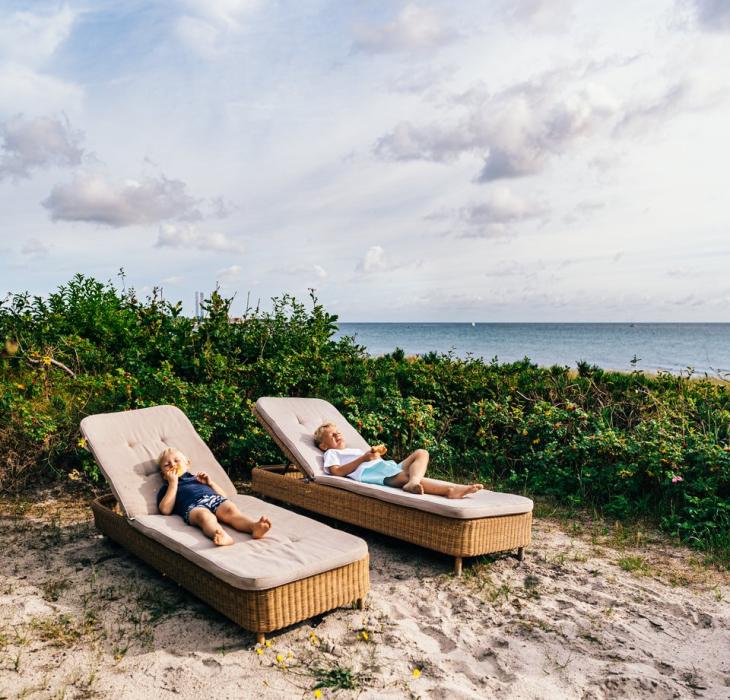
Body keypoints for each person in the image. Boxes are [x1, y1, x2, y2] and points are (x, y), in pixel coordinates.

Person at [314, 422, 483, 499]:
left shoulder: (353, 449)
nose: (338, 434)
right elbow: (336, 472)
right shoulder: (331, 453)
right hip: (373, 473)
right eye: (332, 435)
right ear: (323, 445)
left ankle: (413, 482)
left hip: (385, 466)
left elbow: (370, 459)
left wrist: (374, 455)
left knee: (422, 452)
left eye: (338, 432)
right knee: (405, 476)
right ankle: (450, 489)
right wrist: (364, 457)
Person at [156, 447, 271, 545]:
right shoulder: (168, 486)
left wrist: (210, 483)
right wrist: (173, 483)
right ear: (164, 475)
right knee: (205, 517)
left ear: (188, 464)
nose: (173, 465)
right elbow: (165, 510)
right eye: (167, 465)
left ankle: (254, 527)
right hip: (193, 507)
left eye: (177, 460)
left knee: (231, 510)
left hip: (213, 499)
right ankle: (220, 534)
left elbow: (224, 496)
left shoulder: (197, 478)